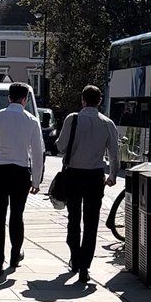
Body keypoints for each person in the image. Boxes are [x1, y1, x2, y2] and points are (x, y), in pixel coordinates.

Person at [0, 82, 44, 277]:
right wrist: (36, 181)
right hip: (20, 172)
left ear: (9, 97)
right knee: (17, 215)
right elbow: (37, 152)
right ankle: (15, 255)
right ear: (25, 99)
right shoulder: (31, 120)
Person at [57, 85, 119, 285]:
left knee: (73, 218)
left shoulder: (72, 119)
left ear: (83, 100)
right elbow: (114, 155)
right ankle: (85, 266)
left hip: (74, 174)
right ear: (100, 101)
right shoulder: (107, 124)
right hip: (95, 176)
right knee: (91, 222)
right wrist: (112, 175)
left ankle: (75, 257)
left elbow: (60, 146)